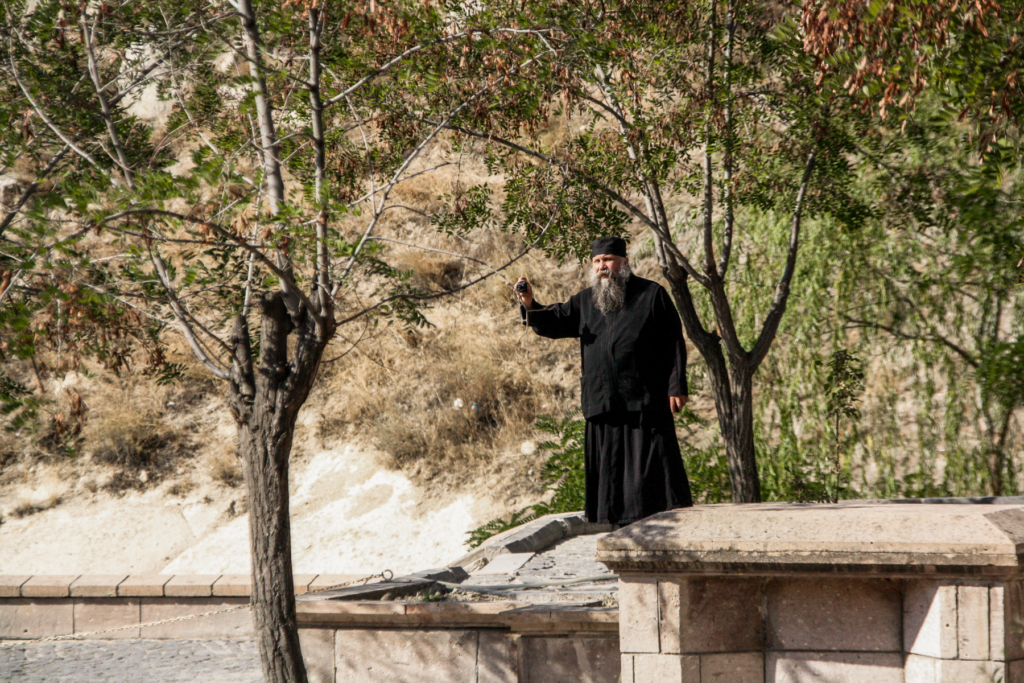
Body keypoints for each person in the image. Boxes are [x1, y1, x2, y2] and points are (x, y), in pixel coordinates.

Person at [515, 236, 693, 527]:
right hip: (604, 404)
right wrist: (530, 303)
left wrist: (676, 385)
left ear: (624, 262)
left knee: (650, 479)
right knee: (613, 483)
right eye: (597, 261)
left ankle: (662, 529)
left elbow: (673, 340)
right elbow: (555, 320)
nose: (602, 267)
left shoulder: (651, 295)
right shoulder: (585, 301)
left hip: (644, 403)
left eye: (608, 260)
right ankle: (622, 532)